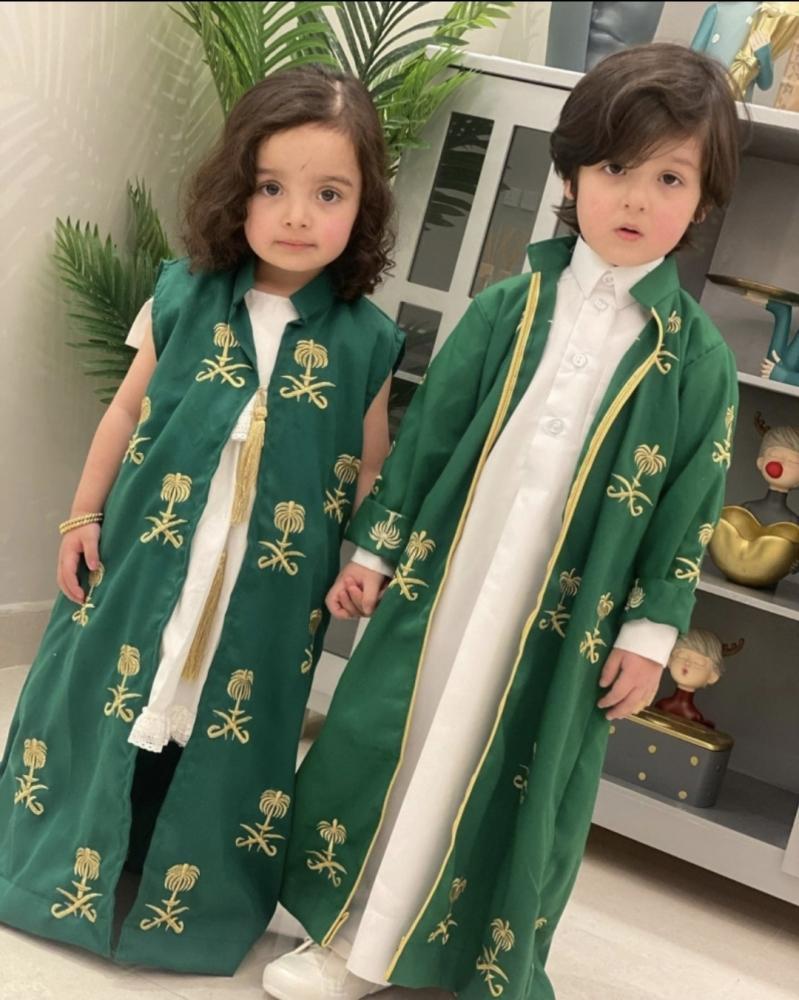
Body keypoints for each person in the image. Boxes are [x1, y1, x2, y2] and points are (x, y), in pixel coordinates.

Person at [264, 43, 741, 1000]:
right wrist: (375, 549)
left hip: (567, 619)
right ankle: (353, 937)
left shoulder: (697, 363)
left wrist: (650, 634)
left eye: (669, 177)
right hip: (450, 584)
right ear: (570, 175)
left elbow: (686, 511)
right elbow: (426, 441)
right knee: (400, 739)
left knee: (516, 767)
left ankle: (462, 952)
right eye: (614, 167)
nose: (635, 198)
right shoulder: (504, 310)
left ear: (701, 201)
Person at [0, 65, 403, 976]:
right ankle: (56, 862)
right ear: (236, 190)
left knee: (226, 711)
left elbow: (370, 465)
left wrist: (365, 557)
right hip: (148, 558)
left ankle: (182, 883)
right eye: (271, 187)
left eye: (327, 193)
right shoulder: (182, 293)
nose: (296, 215)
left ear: (363, 206)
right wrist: (80, 516)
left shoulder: (366, 340)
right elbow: (125, 411)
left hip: (267, 587)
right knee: (111, 688)